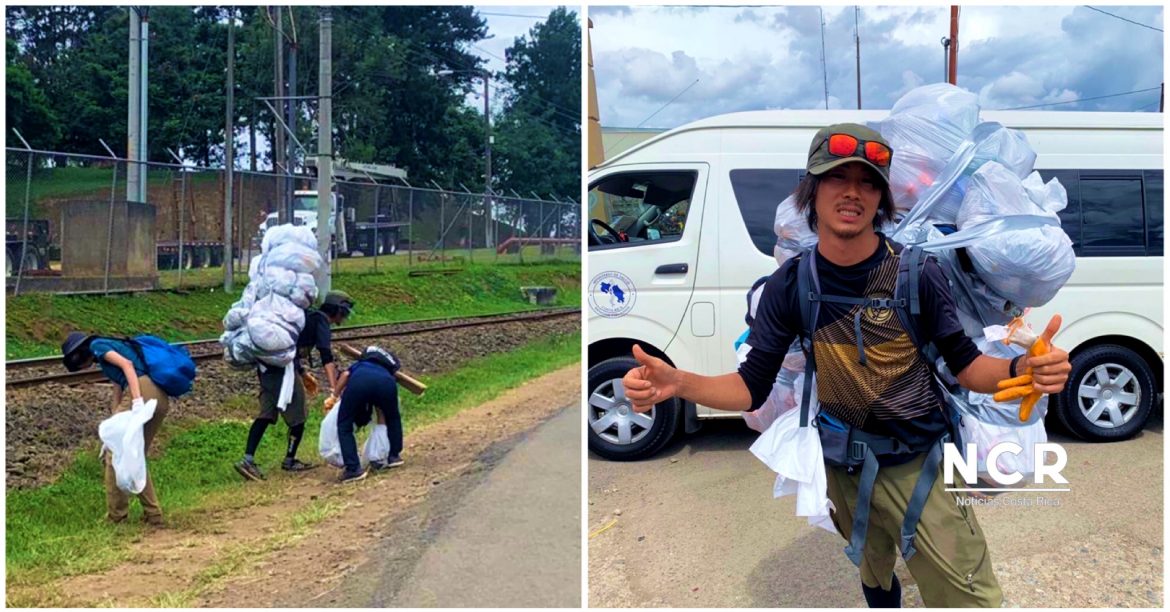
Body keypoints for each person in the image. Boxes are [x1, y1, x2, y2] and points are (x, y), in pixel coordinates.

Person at [622, 123, 1072, 608]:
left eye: (868, 181)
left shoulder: (918, 274)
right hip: (840, 462)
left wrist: (1021, 369)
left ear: (881, 199)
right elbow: (751, 388)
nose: (852, 192)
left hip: (916, 462)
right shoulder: (792, 284)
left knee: (970, 595)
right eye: (838, 178)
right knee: (873, 566)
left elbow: (966, 367)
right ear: (812, 192)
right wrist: (680, 383)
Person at [234, 290, 354, 481]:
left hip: (268, 369)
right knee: (299, 415)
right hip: (283, 372)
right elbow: (326, 354)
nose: (345, 317)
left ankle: (248, 459)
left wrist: (303, 373)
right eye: (344, 313)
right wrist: (334, 389)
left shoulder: (307, 316)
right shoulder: (321, 320)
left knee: (266, 413)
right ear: (338, 310)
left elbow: (291, 349)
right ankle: (289, 460)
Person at [62, 332, 170, 526]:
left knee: (115, 454)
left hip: (142, 392)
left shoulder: (98, 346)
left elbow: (127, 366)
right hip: (158, 395)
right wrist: (115, 420)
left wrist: (136, 402)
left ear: (78, 355)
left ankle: (116, 516)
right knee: (134, 455)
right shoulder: (107, 353)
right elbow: (117, 389)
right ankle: (153, 515)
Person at [329, 346, 405, 483]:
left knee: (344, 425)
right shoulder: (388, 368)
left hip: (360, 382)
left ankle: (353, 469)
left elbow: (345, 375)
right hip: (387, 383)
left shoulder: (361, 364)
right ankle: (394, 456)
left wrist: (334, 395)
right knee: (393, 417)